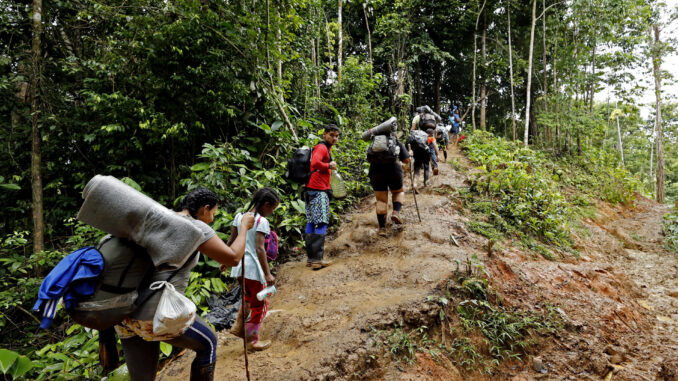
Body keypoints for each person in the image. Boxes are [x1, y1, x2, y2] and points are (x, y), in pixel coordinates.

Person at [116, 187, 255, 381]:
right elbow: (233, 258)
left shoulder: (162, 219)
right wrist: (244, 228)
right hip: (154, 312)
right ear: (205, 209)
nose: (212, 218)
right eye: (213, 213)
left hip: (124, 314)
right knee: (208, 343)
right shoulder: (195, 226)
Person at [228, 187, 280, 351]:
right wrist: (267, 273)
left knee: (248, 296)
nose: (271, 212)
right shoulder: (261, 221)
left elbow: (232, 240)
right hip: (253, 270)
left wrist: (225, 260)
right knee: (260, 304)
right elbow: (259, 249)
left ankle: (238, 326)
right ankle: (252, 341)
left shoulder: (239, 216)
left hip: (239, 267)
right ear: (265, 204)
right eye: (272, 208)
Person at [305, 124, 340, 269]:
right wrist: (329, 166)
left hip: (311, 189)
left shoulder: (324, 148)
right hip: (318, 190)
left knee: (312, 222)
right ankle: (317, 259)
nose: (334, 138)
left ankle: (311, 258)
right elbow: (315, 163)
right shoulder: (322, 148)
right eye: (331, 135)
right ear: (324, 134)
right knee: (322, 222)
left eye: (336, 136)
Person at [367, 131, 411, 232]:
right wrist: (410, 155)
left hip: (376, 172)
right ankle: (395, 212)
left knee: (381, 200)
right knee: (398, 192)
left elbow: (369, 159)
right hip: (394, 171)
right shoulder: (396, 142)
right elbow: (406, 160)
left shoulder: (375, 144)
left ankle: (382, 229)